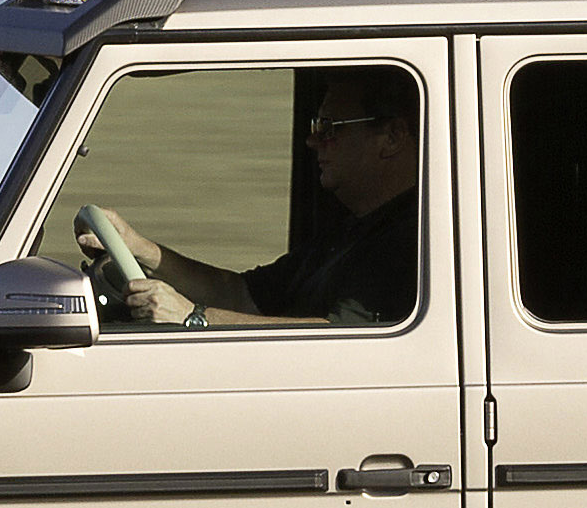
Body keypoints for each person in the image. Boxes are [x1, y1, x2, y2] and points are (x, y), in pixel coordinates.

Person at [124, 71, 419, 327]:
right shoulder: (348, 232)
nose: (313, 140)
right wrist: (139, 248)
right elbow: (242, 295)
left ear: (392, 137)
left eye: (329, 127)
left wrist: (193, 318)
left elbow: (339, 337)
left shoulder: (411, 239)